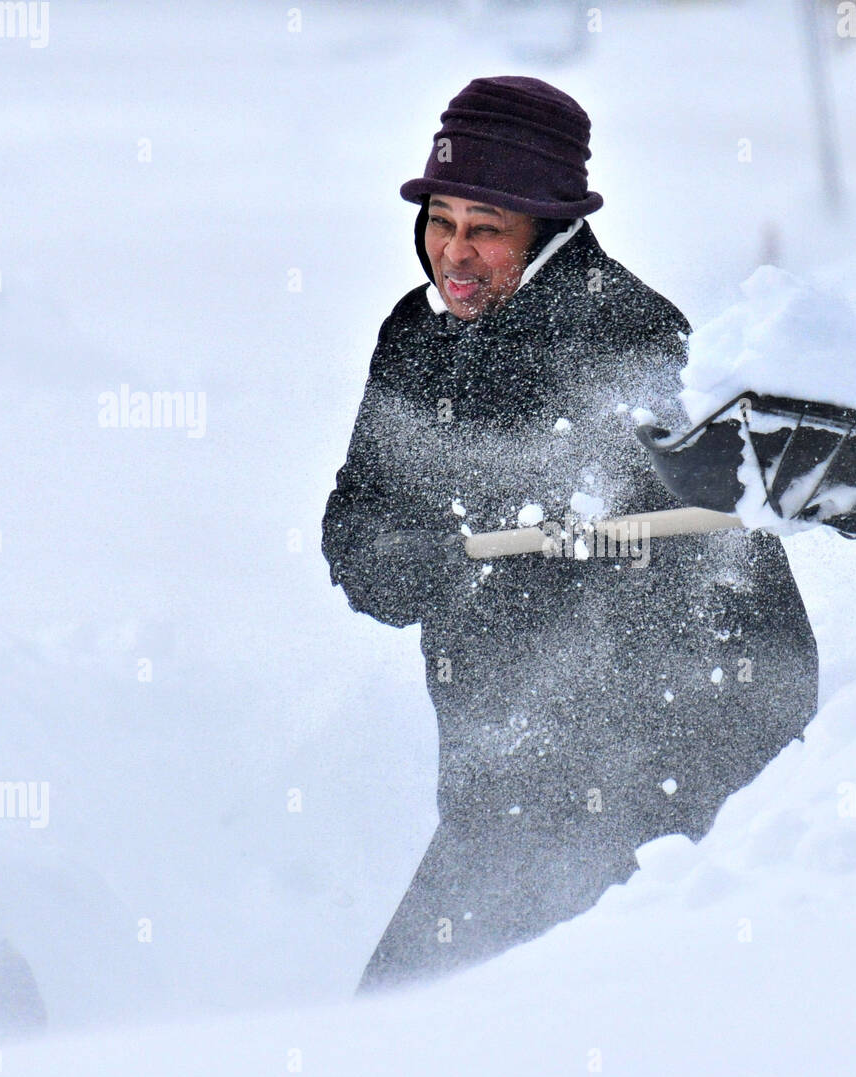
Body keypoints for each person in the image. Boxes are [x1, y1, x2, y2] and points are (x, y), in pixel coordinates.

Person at [322, 77, 818, 993]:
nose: (453, 256)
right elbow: (355, 534)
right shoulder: (416, 339)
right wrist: (420, 561)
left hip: (647, 790)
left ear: (546, 227)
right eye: (441, 220)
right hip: (491, 788)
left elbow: (728, 573)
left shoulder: (631, 342)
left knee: (408, 1022)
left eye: (485, 229)